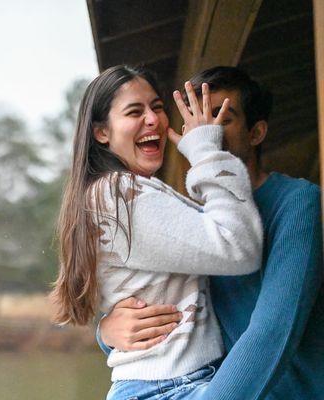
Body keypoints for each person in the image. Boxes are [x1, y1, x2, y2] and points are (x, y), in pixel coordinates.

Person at [97, 66, 324, 399]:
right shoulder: (201, 215)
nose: (206, 128)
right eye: (197, 117)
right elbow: (163, 300)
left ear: (256, 133)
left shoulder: (297, 202)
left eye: (221, 116)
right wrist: (105, 331)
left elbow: (274, 330)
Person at [50, 64, 263, 400]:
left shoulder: (132, 191)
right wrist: (207, 150)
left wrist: (104, 332)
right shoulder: (120, 194)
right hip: (169, 388)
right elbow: (238, 246)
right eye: (135, 111)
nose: (153, 119)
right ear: (101, 132)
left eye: (158, 107)